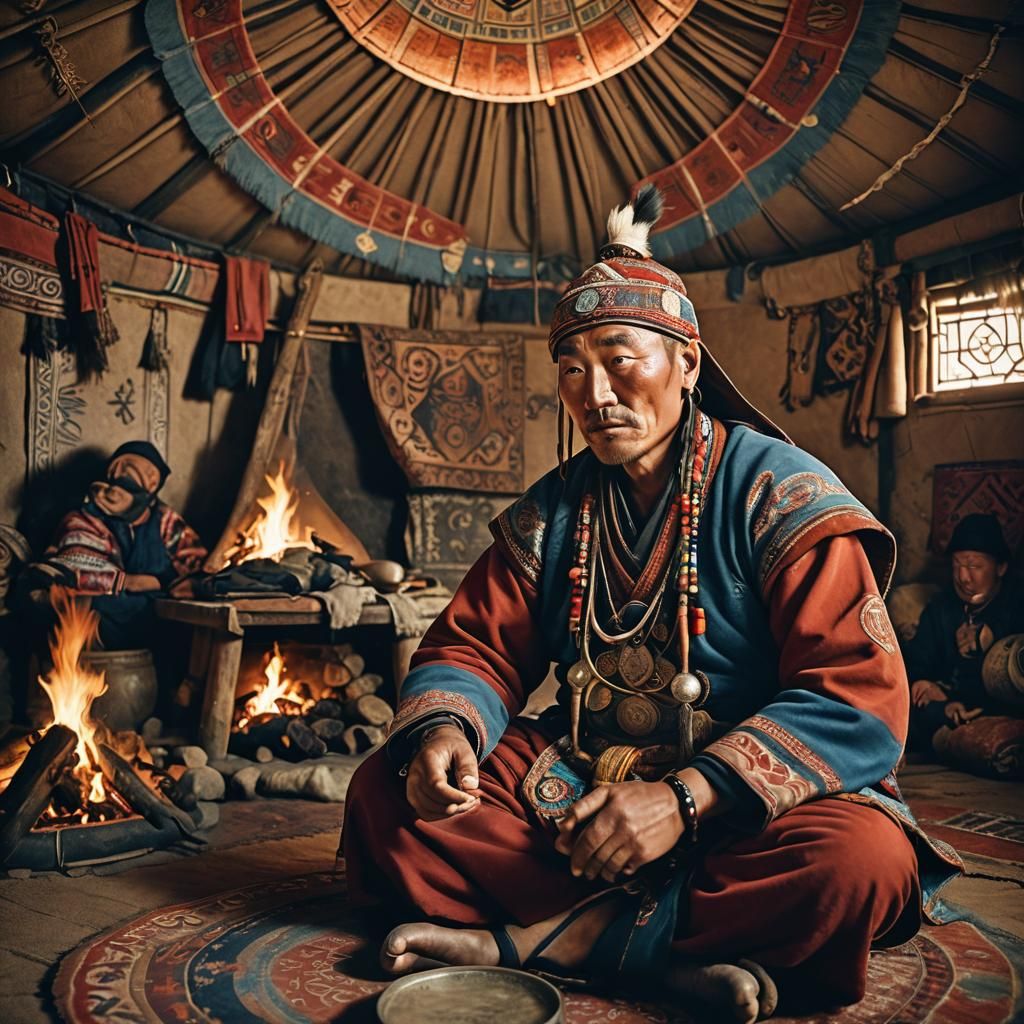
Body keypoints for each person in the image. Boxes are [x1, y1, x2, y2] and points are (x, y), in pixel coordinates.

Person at [342, 188, 961, 1021]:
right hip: (584, 789)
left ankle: (527, 943)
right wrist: (447, 731)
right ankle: (667, 961)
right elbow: (475, 649)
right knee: (386, 797)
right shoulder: (554, 511)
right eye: (572, 367)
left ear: (689, 363)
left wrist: (682, 801)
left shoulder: (783, 494)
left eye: (619, 358)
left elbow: (855, 697)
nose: (594, 391)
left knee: (859, 863)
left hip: (742, 813)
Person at [25, 441, 206, 648]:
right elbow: (72, 570)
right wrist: (126, 582)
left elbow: (196, 563)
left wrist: (160, 581)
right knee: (85, 608)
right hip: (105, 605)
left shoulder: (164, 519)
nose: (117, 493)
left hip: (154, 609)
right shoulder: (86, 516)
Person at [904, 513, 1023, 752]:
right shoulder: (941, 608)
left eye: (974, 566)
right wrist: (929, 688)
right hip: (952, 711)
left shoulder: (1017, 601)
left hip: (1006, 714)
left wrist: (993, 637)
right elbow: (916, 662)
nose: (963, 577)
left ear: (1001, 567)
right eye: (957, 565)